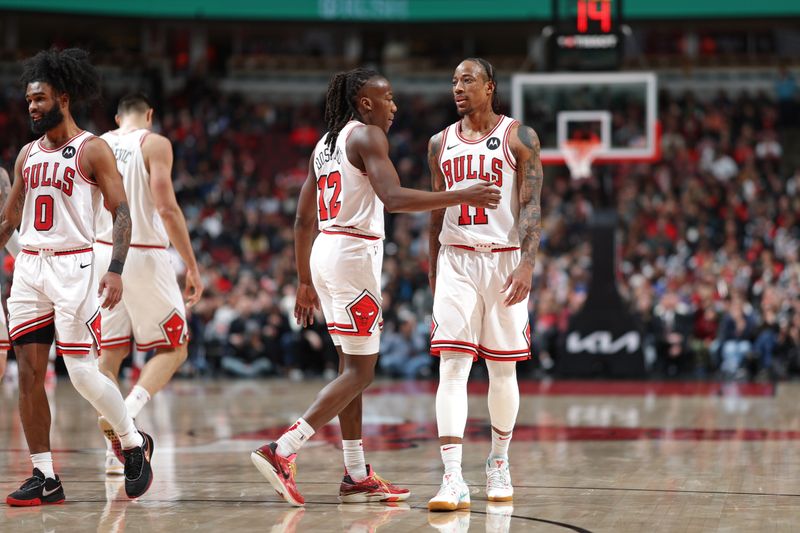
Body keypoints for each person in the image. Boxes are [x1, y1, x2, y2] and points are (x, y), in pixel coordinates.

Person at [251, 67, 500, 506]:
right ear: (365, 103)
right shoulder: (367, 137)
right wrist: (462, 194)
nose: (394, 107)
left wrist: (304, 279)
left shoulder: (324, 144)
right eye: (388, 99)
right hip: (351, 256)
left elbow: (301, 219)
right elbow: (395, 199)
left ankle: (355, 473)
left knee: (351, 369)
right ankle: (283, 450)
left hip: (325, 252)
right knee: (362, 371)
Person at [0, 48, 153, 505]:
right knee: (29, 371)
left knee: (83, 373)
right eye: (28, 100)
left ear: (63, 98)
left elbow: (121, 212)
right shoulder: (26, 155)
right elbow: (9, 220)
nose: (31, 107)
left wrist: (117, 269)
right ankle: (45, 476)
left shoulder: (92, 148)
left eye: (40, 99)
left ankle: (132, 442)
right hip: (30, 267)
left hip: (77, 267)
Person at [426, 58, 543, 511]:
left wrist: (527, 264)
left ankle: (498, 460)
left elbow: (531, 206)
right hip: (455, 258)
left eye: (467, 80)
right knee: (451, 367)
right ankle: (452, 477)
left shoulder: (520, 136)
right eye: (453, 80)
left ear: (490, 87)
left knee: (502, 368)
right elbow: (436, 207)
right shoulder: (438, 143)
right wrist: (432, 262)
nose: (458, 87)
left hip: (504, 260)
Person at [94, 93, 204, 475]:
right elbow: (167, 207)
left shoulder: (96, 144)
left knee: (107, 358)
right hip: (141, 251)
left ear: (116, 117)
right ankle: (129, 418)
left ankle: (116, 452)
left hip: (101, 255)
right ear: (150, 115)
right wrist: (190, 265)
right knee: (176, 347)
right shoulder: (154, 143)